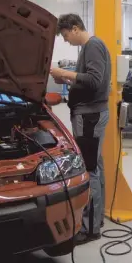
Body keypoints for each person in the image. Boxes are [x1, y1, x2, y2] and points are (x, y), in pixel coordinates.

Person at [50, 13, 111, 245]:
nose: (66, 41)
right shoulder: (89, 47)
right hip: (89, 115)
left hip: (90, 117)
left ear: (75, 28)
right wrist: (69, 81)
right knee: (96, 165)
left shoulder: (92, 45)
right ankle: (97, 219)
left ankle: (90, 228)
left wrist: (64, 73)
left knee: (90, 170)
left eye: (66, 36)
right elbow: (89, 82)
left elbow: (95, 80)